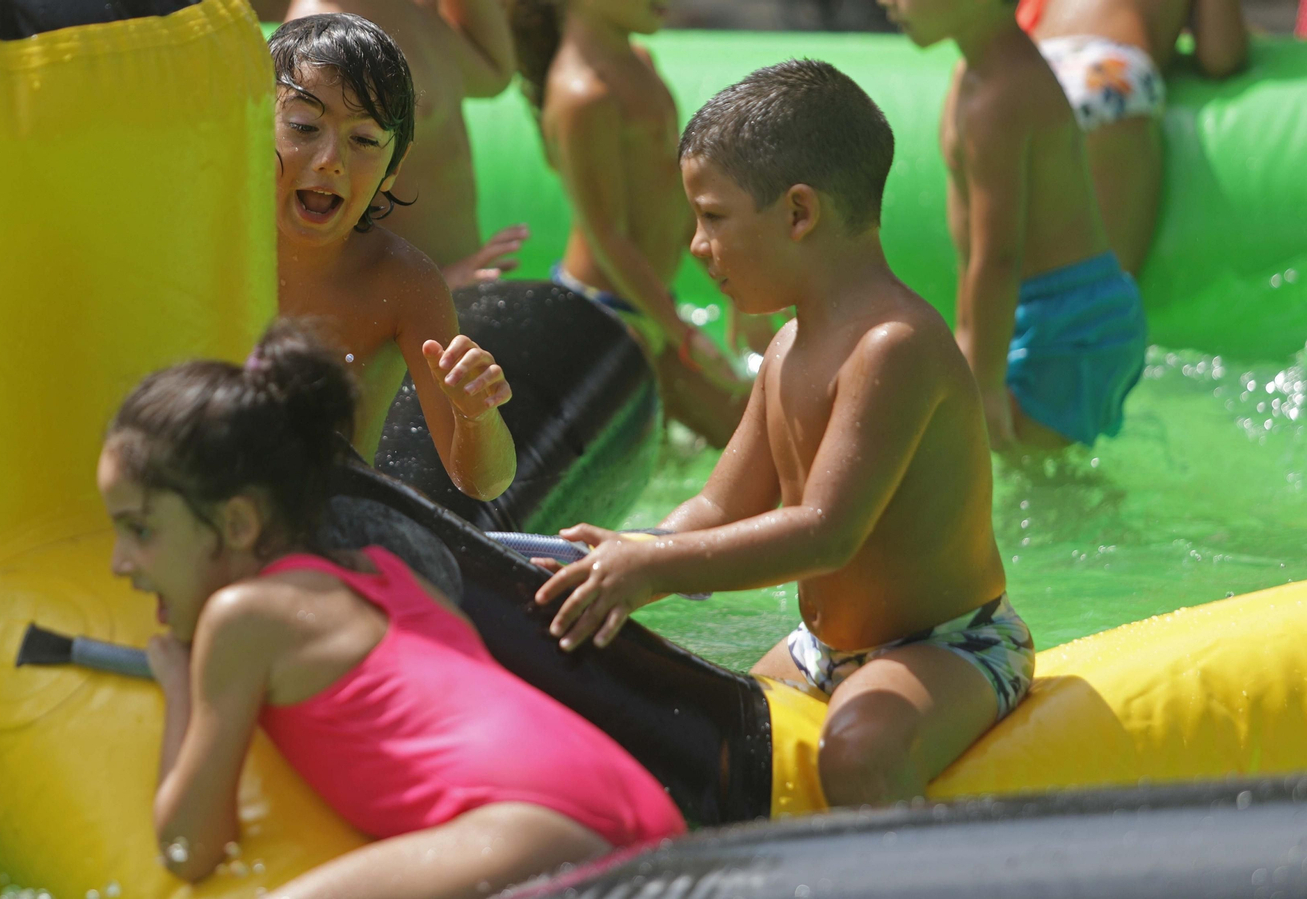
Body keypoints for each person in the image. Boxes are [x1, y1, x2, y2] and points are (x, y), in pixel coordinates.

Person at [532, 62, 1035, 808]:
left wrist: (657, 569)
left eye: (713, 216)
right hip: (823, 651)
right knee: (710, 738)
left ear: (799, 213)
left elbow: (824, 533)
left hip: (950, 642)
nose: (695, 244)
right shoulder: (788, 349)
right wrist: (625, 552)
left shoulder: (893, 346)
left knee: (861, 750)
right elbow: (715, 507)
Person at [97, 322, 684, 896]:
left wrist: (179, 688)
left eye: (141, 530)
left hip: (533, 827)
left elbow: (189, 848)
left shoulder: (244, 617)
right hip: (642, 807)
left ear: (238, 523)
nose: (122, 561)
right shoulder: (389, 575)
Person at [883, 0, 1149, 450]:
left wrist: (984, 386)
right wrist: (967, 344)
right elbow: (975, 253)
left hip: (1071, 322)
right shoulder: (973, 76)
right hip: (1041, 309)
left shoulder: (1000, 99)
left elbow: (999, 256)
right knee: (1024, 470)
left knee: (1039, 480)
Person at [271, 14, 517, 500]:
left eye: (363, 140)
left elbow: (483, 483)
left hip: (331, 524)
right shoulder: (211, 248)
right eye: (303, 127)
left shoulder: (401, 283)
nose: (330, 158)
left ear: (392, 169)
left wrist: (476, 414)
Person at [510, 0, 750, 448]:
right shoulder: (583, 95)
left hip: (649, 305)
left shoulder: (639, 63)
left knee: (751, 441)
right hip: (606, 319)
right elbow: (606, 234)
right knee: (748, 444)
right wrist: (682, 334)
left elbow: (673, 198)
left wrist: (733, 282)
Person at [285, 0, 532, 290]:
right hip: (392, 308)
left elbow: (492, 72)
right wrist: (440, 280)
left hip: (447, 289)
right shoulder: (323, 32)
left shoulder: (413, 11)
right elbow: (311, 227)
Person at [1017, 0, 1247, 275]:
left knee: (1009, 278)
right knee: (1104, 288)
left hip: (1032, 67)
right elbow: (1221, 56)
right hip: (1102, 71)